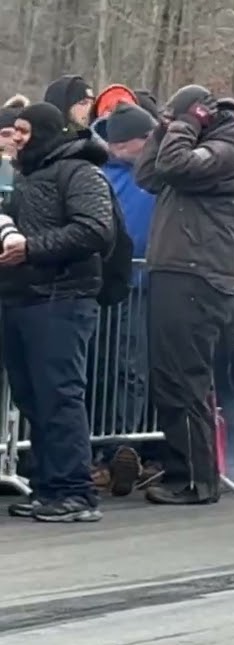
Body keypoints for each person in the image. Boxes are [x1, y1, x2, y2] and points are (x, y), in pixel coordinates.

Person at [133, 85, 234, 505]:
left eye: (179, 115)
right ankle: (184, 469)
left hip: (198, 275)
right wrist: (164, 130)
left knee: (185, 379)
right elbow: (147, 174)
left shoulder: (227, 153)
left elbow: (173, 163)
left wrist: (184, 126)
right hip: (180, 272)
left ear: (203, 116)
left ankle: (196, 478)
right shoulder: (199, 151)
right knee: (170, 377)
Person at [1, 102, 115, 522]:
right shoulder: (23, 176)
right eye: (14, 131)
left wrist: (31, 248)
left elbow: (96, 231)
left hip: (61, 298)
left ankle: (75, 491)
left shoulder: (80, 172)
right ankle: (49, 487)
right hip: (21, 298)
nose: (16, 138)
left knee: (60, 396)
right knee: (33, 397)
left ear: (47, 132)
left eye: (24, 131)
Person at [96, 101, 159, 497]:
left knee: (131, 371)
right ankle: (102, 450)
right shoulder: (99, 174)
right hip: (102, 284)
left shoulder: (157, 179)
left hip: (142, 287)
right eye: (147, 138)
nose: (153, 144)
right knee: (98, 372)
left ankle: (125, 447)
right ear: (123, 143)